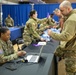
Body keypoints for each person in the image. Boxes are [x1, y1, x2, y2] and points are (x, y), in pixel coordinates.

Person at [48, 0, 76, 75]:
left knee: (71, 72)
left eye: (62, 10)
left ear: (68, 9)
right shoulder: (72, 16)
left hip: (72, 50)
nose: (61, 12)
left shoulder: (71, 19)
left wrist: (51, 34)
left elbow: (66, 36)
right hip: (72, 46)